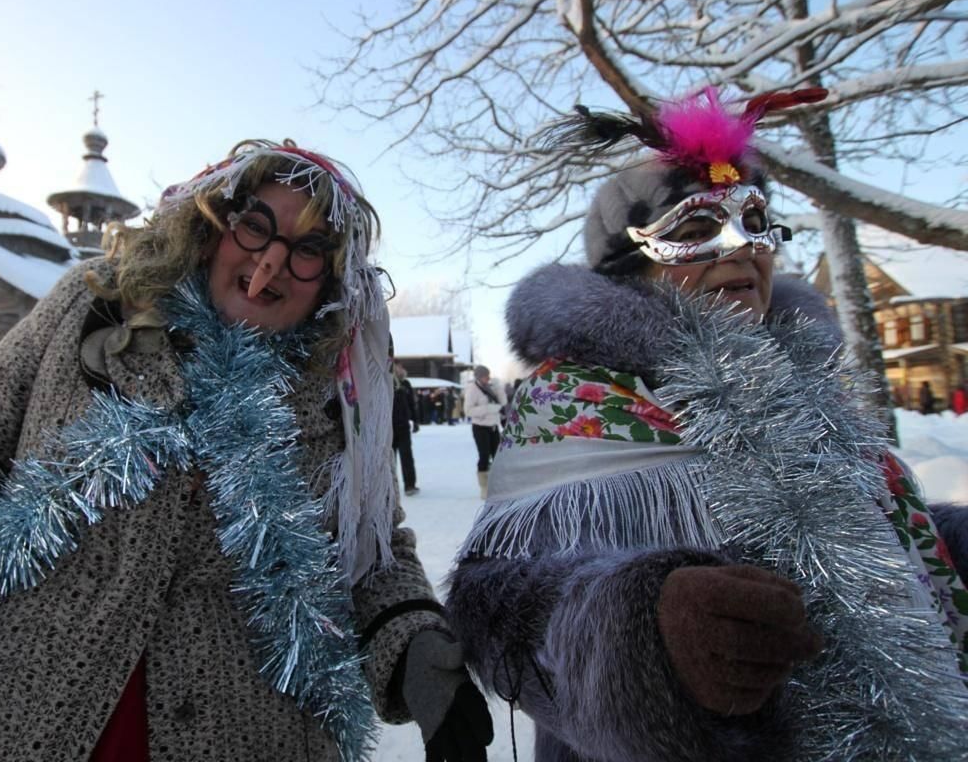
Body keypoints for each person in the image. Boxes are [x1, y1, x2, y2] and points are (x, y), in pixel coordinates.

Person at [0, 141, 493, 762]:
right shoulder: (91, 308)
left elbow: (373, 554)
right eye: (255, 227)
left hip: (253, 730)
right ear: (212, 227)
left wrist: (416, 650)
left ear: (332, 280)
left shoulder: (340, 397)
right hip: (4, 709)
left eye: (307, 252)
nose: (269, 264)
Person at [445, 90, 968, 762]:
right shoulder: (577, 406)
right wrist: (640, 627)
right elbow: (494, 611)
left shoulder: (803, 388)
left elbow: (882, 533)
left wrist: (949, 544)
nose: (740, 249)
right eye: (695, 231)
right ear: (634, 270)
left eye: (754, 222)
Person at [464, 365, 503, 499]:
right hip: (480, 427)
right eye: (486, 376)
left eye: (489, 375)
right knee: (484, 456)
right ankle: (484, 488)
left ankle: (497, 486)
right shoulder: (472, 389)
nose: (488, 378)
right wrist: (488, 408)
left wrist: (499, 388)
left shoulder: (491, 387)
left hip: (493, 426)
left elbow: (503, 402)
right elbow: (468, 410)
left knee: (498, 457)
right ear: (479, 377)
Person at [392, 361, 420, 495]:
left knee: (407, 457)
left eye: (402, 366)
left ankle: (410, 485)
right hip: (388, 428)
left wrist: (415, 421)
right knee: (389, 460)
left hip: (403, 427)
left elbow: (411, 404)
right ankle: (389, 486)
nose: (402, 368)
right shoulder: (384, 381)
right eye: (400, 366)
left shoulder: (406, 384)